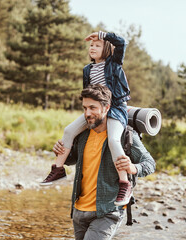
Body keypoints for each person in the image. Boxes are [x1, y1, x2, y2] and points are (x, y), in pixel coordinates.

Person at [40, 30, 132, 206]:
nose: (92, 48)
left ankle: (124, 183)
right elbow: (87, 94)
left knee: (113, 140)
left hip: (115, 109)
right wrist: (88, 110)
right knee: (69, 131)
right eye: (91, 45)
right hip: (96, 110)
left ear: (106, 49)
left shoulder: (113, 64)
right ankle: (58, 169)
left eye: (97, 45)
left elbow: (121, 43)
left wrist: (103, 35)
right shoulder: (87, 69)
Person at [53, 84, 155, 240]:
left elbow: (149, 163)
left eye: (92, 108)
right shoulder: (83, 133)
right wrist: (61, 152)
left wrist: (133, 167)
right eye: (85, 108)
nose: (87, 113)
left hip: (107, 210)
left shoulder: (124, 134)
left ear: (106, 107)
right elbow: (73, 159)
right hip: (79, 209)